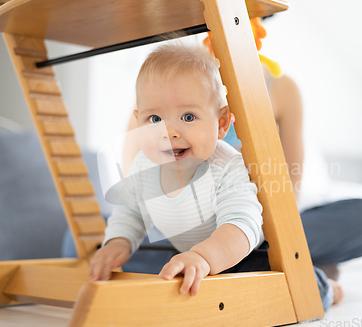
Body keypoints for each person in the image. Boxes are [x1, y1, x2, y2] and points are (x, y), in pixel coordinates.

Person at [87, 41, 339, 309]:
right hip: (187, 252)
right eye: (154, 119)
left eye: (187, 117)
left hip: (243, 254)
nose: (169, 131)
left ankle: (326, 287)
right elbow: (130, 213)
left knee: (290, 285)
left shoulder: (227, 166)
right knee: (135, 260)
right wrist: (117, 243)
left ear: (221, 124)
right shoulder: (142, 168)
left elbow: (241, 225)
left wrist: (204, 257)